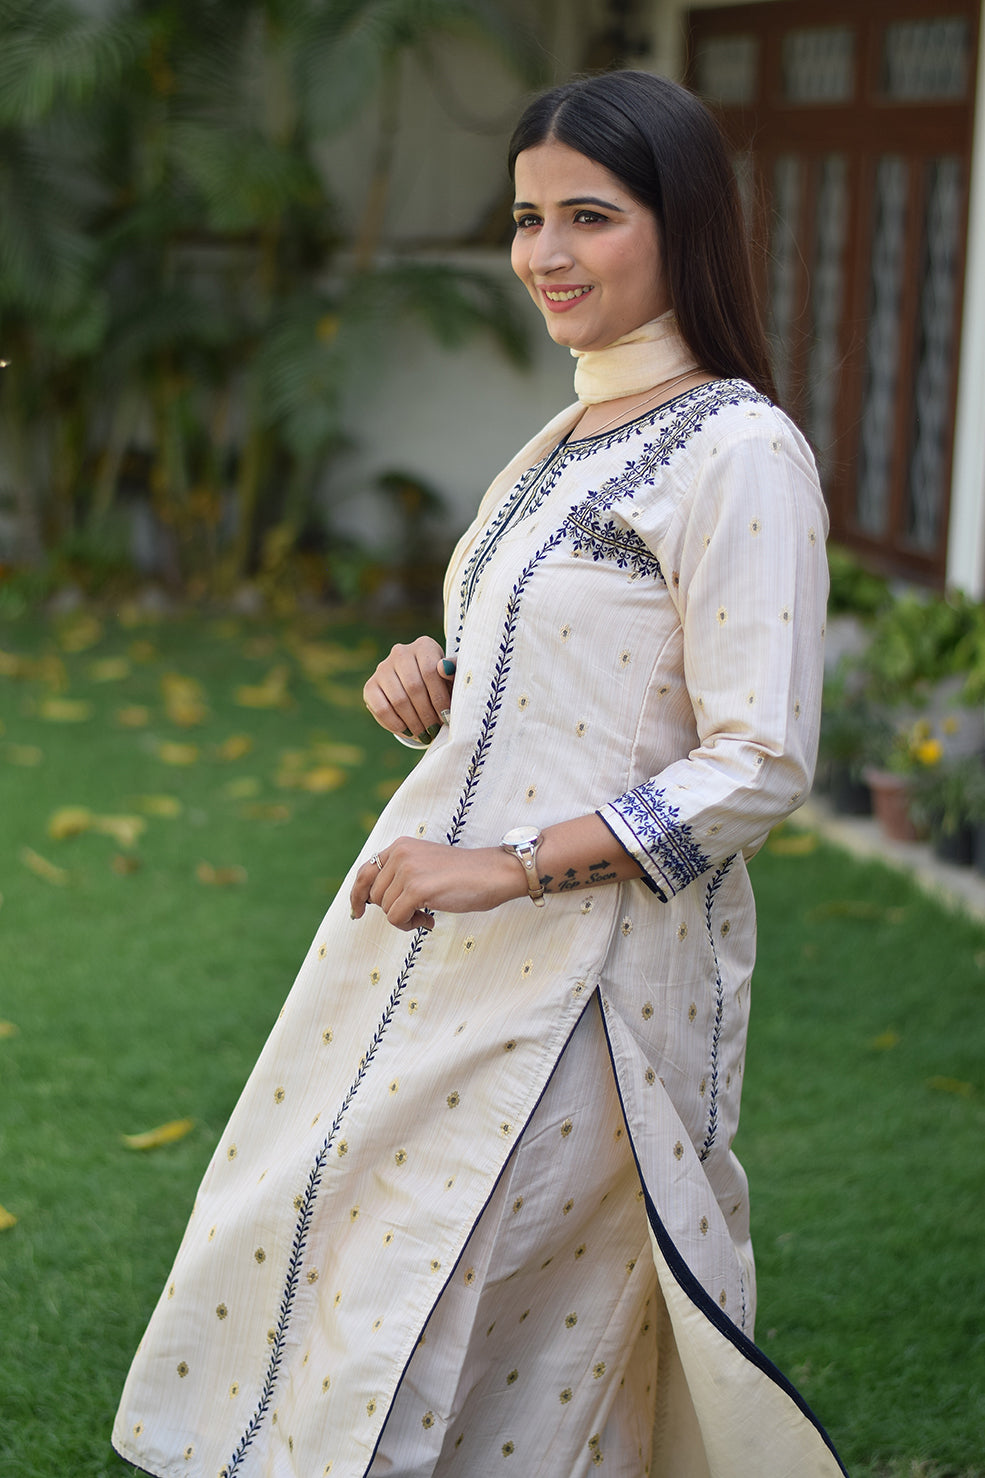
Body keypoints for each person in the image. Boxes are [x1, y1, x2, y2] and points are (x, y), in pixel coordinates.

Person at [113, 71, 847, 1478]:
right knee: (348, 1247)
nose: (544, 256)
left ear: (679, 223)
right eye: (524, 219)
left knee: (480, 1298)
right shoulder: (569, 434)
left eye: (589, 215)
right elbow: (573, 680)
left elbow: (756, 762)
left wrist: (503, 862)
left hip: (589, 980)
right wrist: (434, 683)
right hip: (446, 948)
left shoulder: (736, 449)